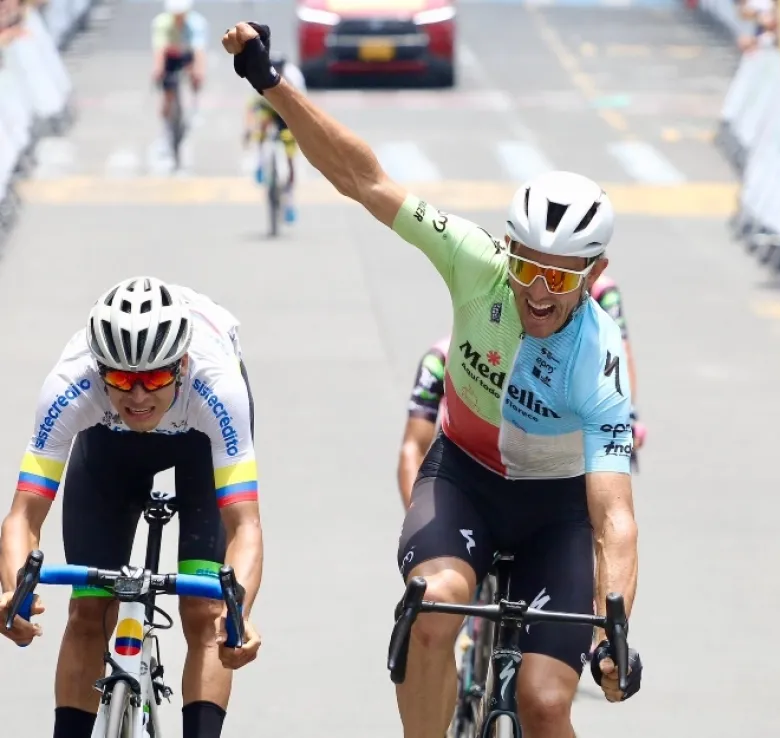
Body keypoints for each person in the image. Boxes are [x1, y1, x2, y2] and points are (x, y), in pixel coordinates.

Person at [222, 22, 641, 737]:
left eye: (561, 276)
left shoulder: (600, 358)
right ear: (505, 248)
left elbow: (614, 518)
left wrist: (614, 628)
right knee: (432, 612)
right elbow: (364, 179)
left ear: (594, 274)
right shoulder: (473, 260)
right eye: (526, 266)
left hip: (557, 512)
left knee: (545, 703)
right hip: (464, 480)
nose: (538, 292)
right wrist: (271, 84)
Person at [0, 277, 263, 738]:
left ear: (182, 365)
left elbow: (244, 526)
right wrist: (14, 594)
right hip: (109, 444)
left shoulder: (218, 386)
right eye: (121, 379)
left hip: (199, 443)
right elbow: (24, 515)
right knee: (88, 610)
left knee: (207, 614)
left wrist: (238, 614)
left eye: (155, 378)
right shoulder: (71, 384)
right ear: (99, 368)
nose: (138, 396)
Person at [398, 276, 646, 510]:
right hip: (473, 468)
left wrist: (626, 417)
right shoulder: (438, 359)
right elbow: (412, 448)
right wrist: (420, 525)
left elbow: (620, 356)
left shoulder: (602, 292)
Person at [244, 52, 306, 224]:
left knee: (290, 154)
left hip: (288, 110)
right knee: (262, 123)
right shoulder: (258, 75)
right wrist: (248, 130)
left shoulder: (294, 78)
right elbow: (251, 108)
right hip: (268, 107)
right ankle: (259, 161)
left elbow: (302, 108)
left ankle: (290, 199)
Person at [151, 0, 207, 139]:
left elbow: (199, 51)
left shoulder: (197, 23)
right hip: (170, 56)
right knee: (167, 92)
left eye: (181, 15)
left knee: (196, 74)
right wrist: (158, 70)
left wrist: (198, 72)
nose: (179, 19)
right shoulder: (161, 22)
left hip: (187, 54)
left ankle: (194, 104)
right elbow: (160, 50)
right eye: (176, 15)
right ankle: (165, 128)